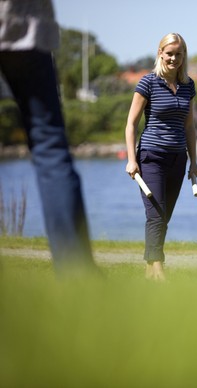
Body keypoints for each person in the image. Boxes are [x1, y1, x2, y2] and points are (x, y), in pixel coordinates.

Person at [0, 0, 100, 278]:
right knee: (49, 145)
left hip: (23, 24)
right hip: (23, 23)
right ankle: (76, 275)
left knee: (49, 145)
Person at [125, 33, 197, 281]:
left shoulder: (189, 85)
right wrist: (131, 159)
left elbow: (189, 127)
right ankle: (158, 268)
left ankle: (149, 269)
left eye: (179, 54)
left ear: (183, 56)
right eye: (169, 53)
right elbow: (131, 124)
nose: (174, 58)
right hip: (151, 156)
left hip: (178, 158)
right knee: (156, 213)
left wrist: (194, 162)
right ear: (160, 53)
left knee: (163, 217)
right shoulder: (148, 82)